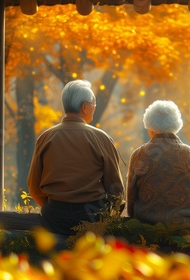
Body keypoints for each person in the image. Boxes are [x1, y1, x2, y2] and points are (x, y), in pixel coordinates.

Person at [27, 79, 125, 237]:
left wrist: (50, 208)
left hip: (54, 217)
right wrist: (107, 219)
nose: (94, 107)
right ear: (85, 107)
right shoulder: (101, 138)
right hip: (91, 217)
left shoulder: (46, 137)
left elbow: (33, 186)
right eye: (94, 103)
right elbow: (116, 190)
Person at [126, 100, 190, 231]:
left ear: (150, 128)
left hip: (147, 221)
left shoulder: (138, 155)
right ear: (176, 125)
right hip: (184, 222)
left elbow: (131, 200)